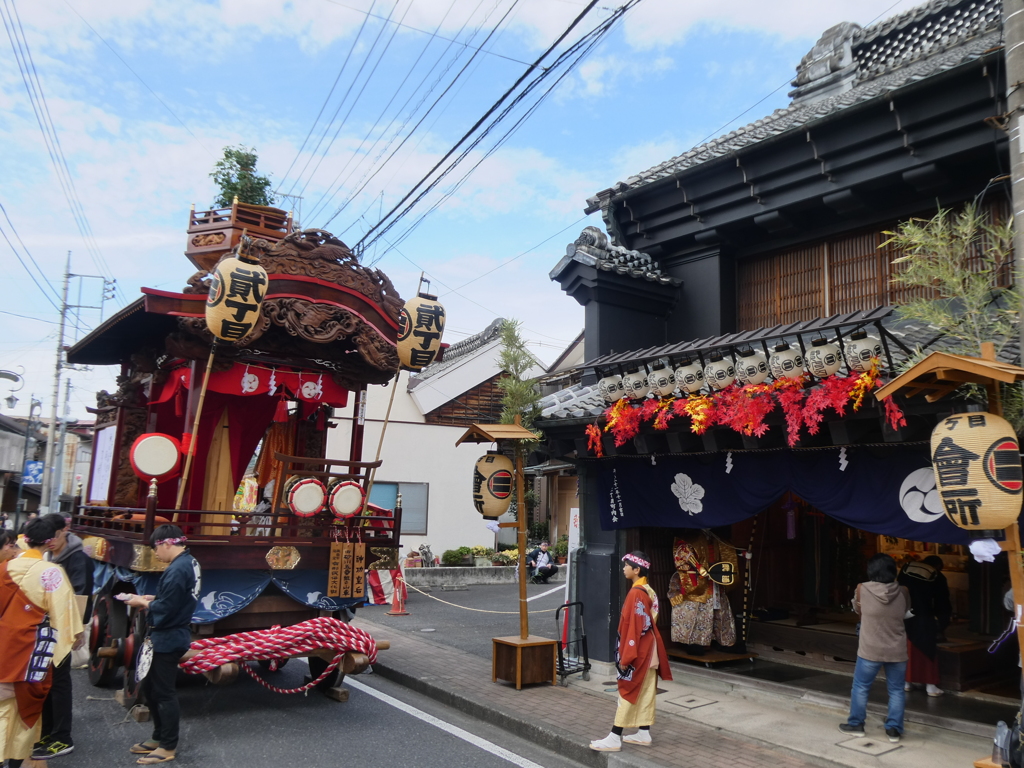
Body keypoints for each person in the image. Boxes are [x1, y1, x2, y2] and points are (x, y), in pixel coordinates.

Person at [0, 516, 84, 768]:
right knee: (27, 703)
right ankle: (15, 759)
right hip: (33, 648)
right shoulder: (51, 573)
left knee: (3, 701)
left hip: (4, 644)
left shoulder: (4, 568)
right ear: (51, 541)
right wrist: (75, 637)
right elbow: (63, 612)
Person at [124, 524, 201, 765]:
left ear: (167, 543)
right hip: (168, 634)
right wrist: (154, 598)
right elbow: (176, 599)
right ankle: (158, 736)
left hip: (168, 636)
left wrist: (142, 602)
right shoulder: (189, 562)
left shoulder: (178, 569)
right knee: (150, 688)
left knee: (163, 692)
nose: (155, 554)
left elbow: (167, 610)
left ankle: (168, 745)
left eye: (156, 549)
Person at [590, 551, 672, 752]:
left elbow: (635, 627)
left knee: (629, 690)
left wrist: (627, 655)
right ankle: (643, 732)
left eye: (627, 565)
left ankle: (614, 737)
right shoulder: (648, 590)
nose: (624, 568)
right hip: (648, 647)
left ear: (637, 570)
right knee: (643, 691)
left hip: (639, 649)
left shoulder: (636, 593)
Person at [32, 515, 93, 760]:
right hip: (48, 629)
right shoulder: (50, 556)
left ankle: (62, 738)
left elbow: (81, 599)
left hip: (64, 630)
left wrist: (75, 631)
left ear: (65, 531)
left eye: (54, 536)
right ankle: (48, 732)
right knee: (47, 682)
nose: (51, 542)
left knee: (59, 684)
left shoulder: (79, 558)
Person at [839, 553, 911, 744]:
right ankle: (894, 729)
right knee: (896, 690)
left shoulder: (862, 589)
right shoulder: (903, 591)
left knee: (861, 687)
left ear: (871, 570)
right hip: (897, 649)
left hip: (870, 648)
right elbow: (905, 612)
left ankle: (856, 725)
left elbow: (857, 609)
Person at [898, 555, 951, 698]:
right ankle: (930, 686)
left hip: (904, 614)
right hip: (925, 617)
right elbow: (942, 602)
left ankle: (907, 683)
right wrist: (943, 622)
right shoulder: (936, 575)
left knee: (906, 650)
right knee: (927, 650)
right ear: (938, 566)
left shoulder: (906, 568)